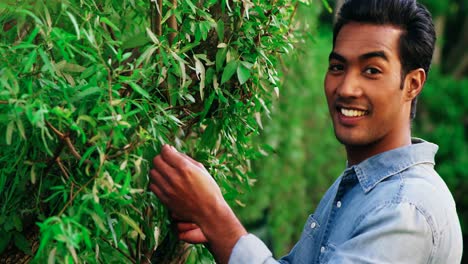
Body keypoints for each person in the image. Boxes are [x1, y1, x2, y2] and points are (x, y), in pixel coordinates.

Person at [148, 0, 463, 263]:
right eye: (338, 67)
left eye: (371, 71)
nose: (347, 88)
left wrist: (217, 218)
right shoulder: (358, 186)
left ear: (412, 83)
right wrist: (213, 227)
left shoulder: (405, 209)